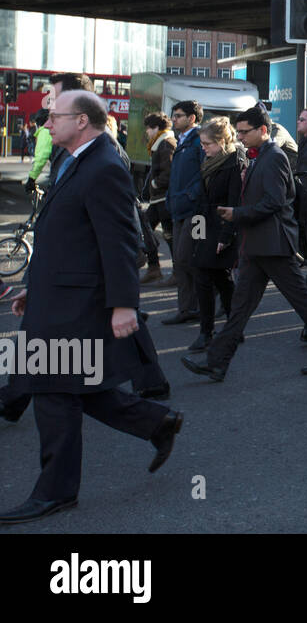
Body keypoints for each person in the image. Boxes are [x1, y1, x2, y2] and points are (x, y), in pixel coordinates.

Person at [0, 91, 181, 525]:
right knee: (75, 388)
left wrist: (124, 306)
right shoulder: (74, 159)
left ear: (81, 121)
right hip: (56, 297)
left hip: (78, 304)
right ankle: (157, 423)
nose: (45, 124)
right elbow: (62, 237)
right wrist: (32, 286)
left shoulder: (103, 166)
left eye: (53, 117)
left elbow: (119, 242)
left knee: (51, 390)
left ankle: (56, 492)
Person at [180, 106, 307, 382]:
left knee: (302, 301)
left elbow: (275, 202)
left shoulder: (274, 157)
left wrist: (237, 214)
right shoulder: (259, 157)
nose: (240, 137)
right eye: (239, 131)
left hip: (274, 245)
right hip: (258, 245)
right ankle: (217, 362)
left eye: (244, 132)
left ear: (263, 131)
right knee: (241, 308)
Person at [187, 117, 244, 352]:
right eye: (202, 144)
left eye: (208, 144)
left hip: (222, 227)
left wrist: (226, 236)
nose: (204, 148)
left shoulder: (234, 161)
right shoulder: (208, 161)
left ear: (221, 142)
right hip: (205, 225)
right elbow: (202, 197)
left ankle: (209, 331)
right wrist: (196, 231)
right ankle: (226, 328)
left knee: (215, 276)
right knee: (214, 277)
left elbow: (234, 202)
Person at [163, 100, 204, 325]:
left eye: (178, 115)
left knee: (188, 258)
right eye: (174, 115)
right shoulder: (182, 141)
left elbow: (203, 174)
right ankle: (187, 308)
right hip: (179, 209)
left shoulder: (199, 141)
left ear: (192, 118)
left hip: (194, 212)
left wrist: (191, 196)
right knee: (181, 261)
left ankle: (203, 304)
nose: (174, 119)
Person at [139, 113, 175, 284]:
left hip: (163, 198)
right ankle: (155, 268)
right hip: (158, 199)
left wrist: (154, 184)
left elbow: (168, 173)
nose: (147, 132)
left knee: (168, 235)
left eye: (148, 128)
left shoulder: (165, 144)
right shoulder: (159, 143)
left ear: (156, 128)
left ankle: (174, 271)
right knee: (147, 230)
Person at [25, 108, 52, 191]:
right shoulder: (57, 129)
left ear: (37, 123)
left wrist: (31, 179)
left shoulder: (45, 132)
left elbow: (41, 158)